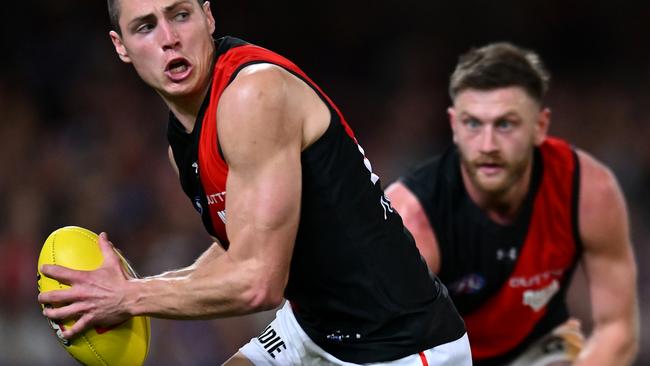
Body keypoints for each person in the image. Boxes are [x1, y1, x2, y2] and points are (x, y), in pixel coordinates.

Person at [37, 0, 471, 364]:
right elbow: (238, 246)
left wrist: (131, 297)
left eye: (180, 15)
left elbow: (258, 283)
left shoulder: (252, 94)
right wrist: (134, 292)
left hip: (400, 342)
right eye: (146, 26)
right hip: (314, 326)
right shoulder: (181, 143)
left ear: (208, 17)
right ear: (122, 47)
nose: (169, 37)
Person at [385, 42, 639, 366]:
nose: (488, 145)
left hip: (544, 353)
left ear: (540, 126)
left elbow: (617, 329)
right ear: (454, 125)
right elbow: (390, 353)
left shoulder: (588, 190)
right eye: (473, 123)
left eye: (505, 124)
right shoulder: (412, 218)